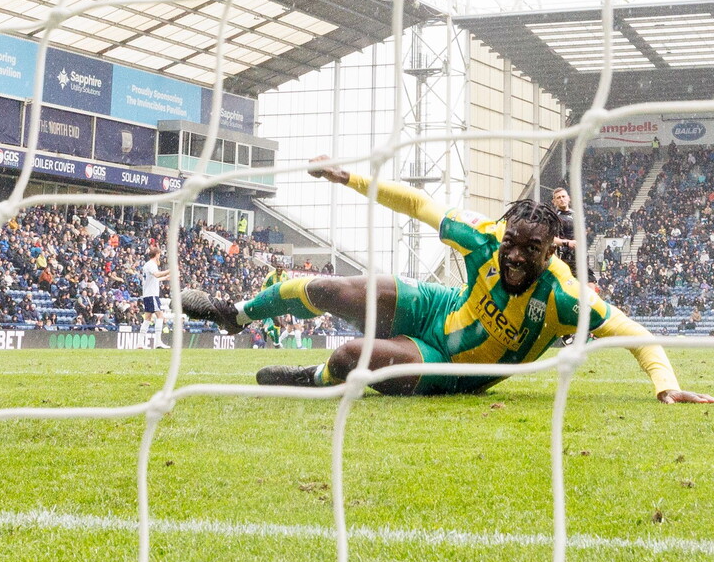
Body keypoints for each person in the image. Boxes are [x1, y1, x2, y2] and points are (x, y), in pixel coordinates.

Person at [182, 156, 714, 404]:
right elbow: (418, 203)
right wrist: (349, 178)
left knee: (349, 357)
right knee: (334, 290)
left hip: (458, 366)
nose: (515, 256)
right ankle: (236, 314)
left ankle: (311, 377)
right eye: (512, 243)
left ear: (550, 251)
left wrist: (666, 386)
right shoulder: (483, 239)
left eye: (531, 250)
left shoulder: (564, 298)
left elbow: (636, 335)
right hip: (442, 307)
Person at [551, 186, 595, 283]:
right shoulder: (554, 217)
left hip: (581, 258)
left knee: (591, 287)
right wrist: (567, 242)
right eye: (558, 198)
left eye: (563, 196)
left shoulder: (576, 214)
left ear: (568, 198)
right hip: (566, 260)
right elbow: (550, 238)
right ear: (554, 201)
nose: (562, 199)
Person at [140, 245, 167, 346]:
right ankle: (158, 342)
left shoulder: (148, 265)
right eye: (159, 255)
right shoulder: (151, 264)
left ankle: (140, 343)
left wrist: (165, 278)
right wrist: (169, 271)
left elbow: (153, 279)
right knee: (160, 315)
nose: (160, 257)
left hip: (148, 294)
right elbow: (156, 275)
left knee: (147, 318)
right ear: (156, 255)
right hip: (152, 294)